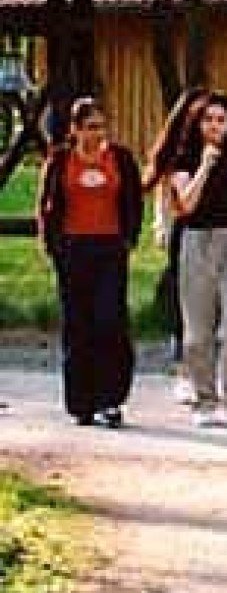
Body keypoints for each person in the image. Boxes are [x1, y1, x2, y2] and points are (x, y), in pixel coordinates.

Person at [37, 98, 143, 428]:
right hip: (73, 248)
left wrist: (128, 239)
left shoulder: (119, 159)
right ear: (75, 129)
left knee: (109, 320)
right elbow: (47, 203)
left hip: (110, 247)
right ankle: (81, 401)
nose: (95, 134)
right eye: (89, 127)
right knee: (78, 324)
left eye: (100, 126)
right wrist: (52, 244)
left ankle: (111, 398)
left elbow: (133, 199)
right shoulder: (60, 160)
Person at [170, 92, 227, 431]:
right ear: (197, 124)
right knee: (198, 332)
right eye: (208, 120)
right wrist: (205, 165)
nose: (214, 126)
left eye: (221, 120)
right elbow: (186, 205)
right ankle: (205, 398)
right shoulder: (184, 159)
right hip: (198, 242)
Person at [142, 86, 210, 405]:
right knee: (185, 305)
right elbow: (162, 188)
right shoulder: (176, 155)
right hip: (184, 232)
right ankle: (183, 370)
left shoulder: (221, 150)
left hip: (218, 233)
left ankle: (207, 372)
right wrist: (162, 226)